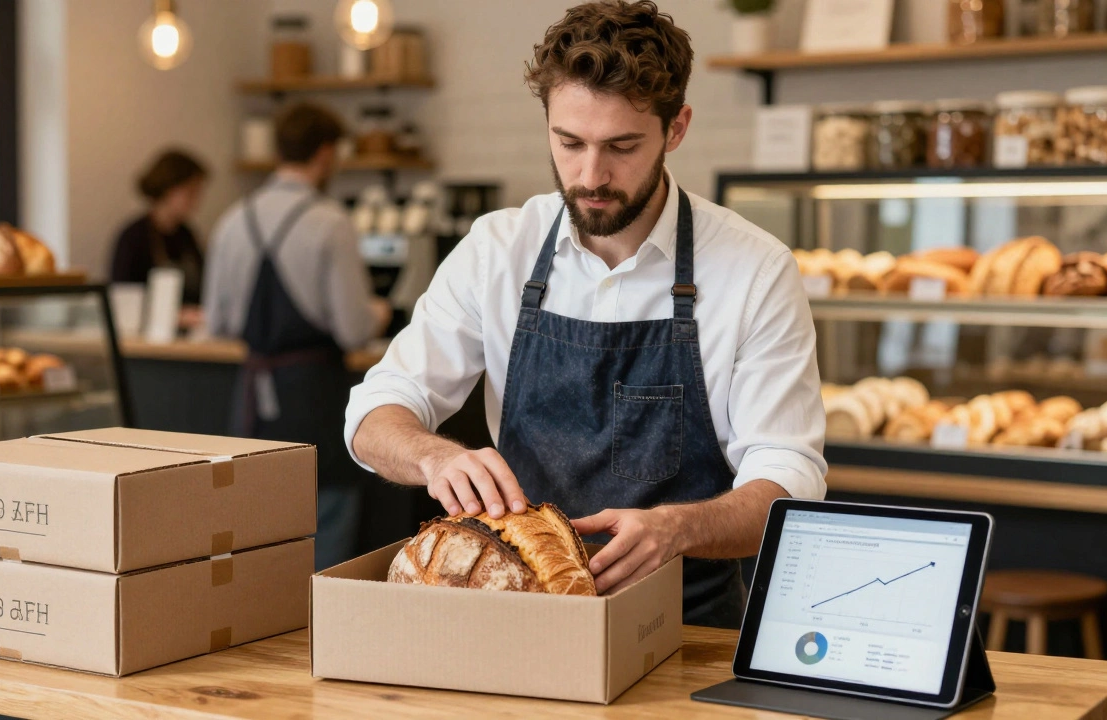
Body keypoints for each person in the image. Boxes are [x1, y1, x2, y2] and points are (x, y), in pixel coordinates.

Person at [345, 0, 826, 628]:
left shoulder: (754, 269)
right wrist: (434, 457)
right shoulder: (498, 250)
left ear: (676, 128)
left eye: (622, 146)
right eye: (569, 143)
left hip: (686, 628)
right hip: (521, 619)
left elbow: (790, 478)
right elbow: (374, 411)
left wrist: (679, 528)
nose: (591, 175)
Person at [203, 103, 391, 571]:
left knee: (254, 531)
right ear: (325, 153)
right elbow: (353, 329)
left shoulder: (233, 218)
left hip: (250, 403)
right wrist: (379, 312)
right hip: (312, 399)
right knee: (325, 526)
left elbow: (217, 322)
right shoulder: (329, 221)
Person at [110, 149, 209, 318]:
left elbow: (204, 285)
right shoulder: (134, 237)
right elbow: (124, 299)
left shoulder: (187, 235)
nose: (196, 201)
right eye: (191, 193)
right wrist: (175, 315)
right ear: (169, 189)